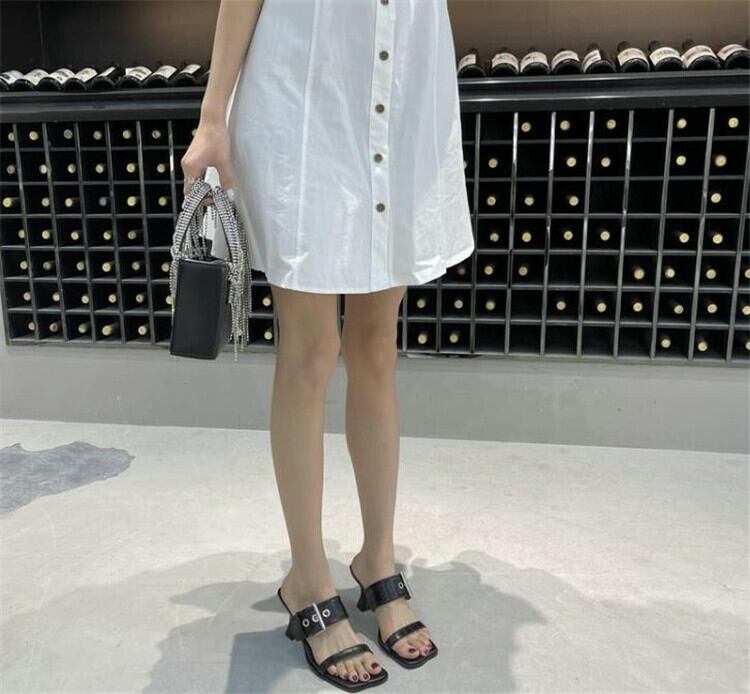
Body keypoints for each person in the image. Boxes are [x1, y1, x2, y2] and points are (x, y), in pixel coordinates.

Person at [181, 0, 474, 689]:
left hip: (403, 91)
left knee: (376, 347)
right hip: (304, 97)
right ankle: (308, 579)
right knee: (311, 353)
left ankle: (377, 559)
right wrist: (213, 115)